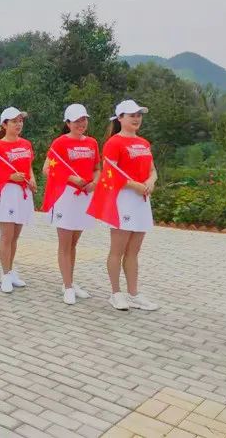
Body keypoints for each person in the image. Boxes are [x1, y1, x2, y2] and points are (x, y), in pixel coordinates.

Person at [87, 100, 159, 311]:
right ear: (120, 118)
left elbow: (153, 170)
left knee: (133, 252)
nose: (136, 119)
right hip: (123, 201)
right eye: (131, 115)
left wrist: (150, 182)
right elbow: (111, 174)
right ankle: (116, 293)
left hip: (142, 200)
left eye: (139, 115)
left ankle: (134, 294)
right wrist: (135, 185)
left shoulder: (144, 143)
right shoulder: (114, 143)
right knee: (117, 250)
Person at [42, 104, 100, 305]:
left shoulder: (92, 143)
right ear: (67, 123)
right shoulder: (60, 143)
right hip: (65, 197)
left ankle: (70, 281)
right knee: (65, 244)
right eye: (76, 121)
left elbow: (97, 168)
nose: (81, 124)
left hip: (84, 196)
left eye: (84, 119)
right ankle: (67, 287)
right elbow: (47, 169)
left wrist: (95, 182)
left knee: (74, 244)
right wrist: (71, 179)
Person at [0, 107, 37, 293]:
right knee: (7, 236)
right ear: (4, 125)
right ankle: (4, 274)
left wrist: (32, 179)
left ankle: (11, 270)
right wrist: (10, 176)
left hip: (23, 193)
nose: (18, 124)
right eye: (14, 121)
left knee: (15, 236)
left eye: (20, 121)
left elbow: (29, 166)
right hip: (7, 194)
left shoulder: (26, 144)